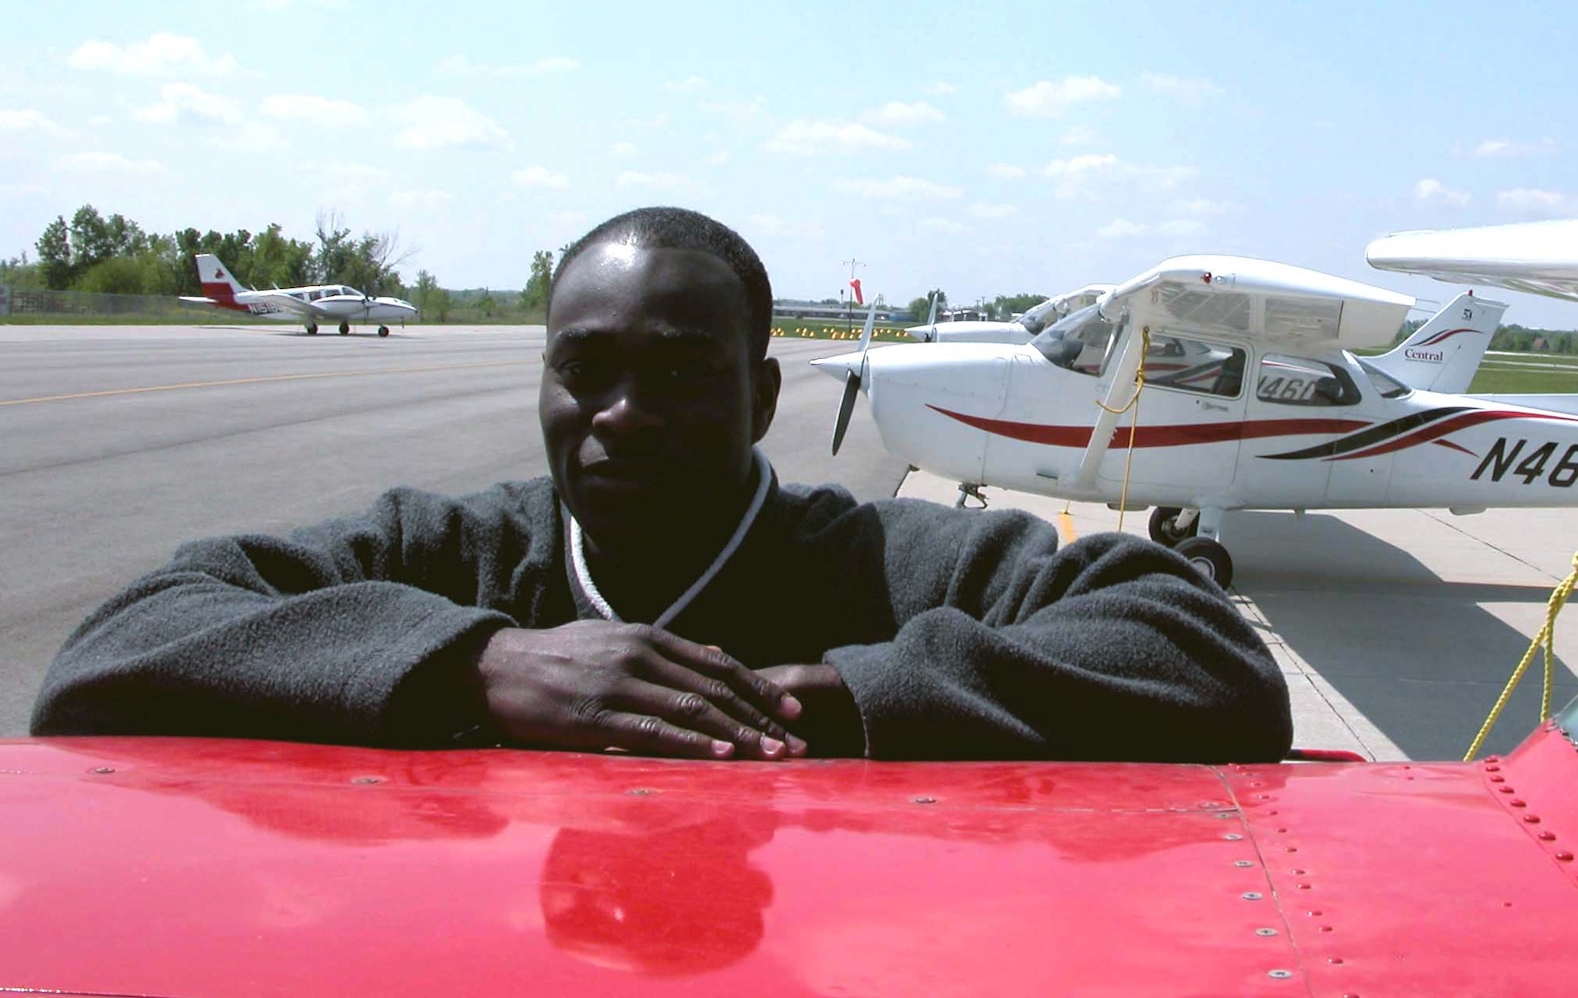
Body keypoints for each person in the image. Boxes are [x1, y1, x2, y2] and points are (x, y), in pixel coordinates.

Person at [33, 208, 1291, 761]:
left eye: (681, 376)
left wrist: (852, 693)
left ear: (757, 398)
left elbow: (1204, 658)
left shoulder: (879, 566)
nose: (619, 416)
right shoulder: (448, 550)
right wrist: (477, 664)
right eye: (582, 370)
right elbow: (113, 650)